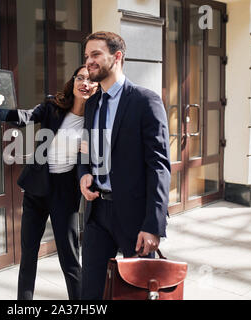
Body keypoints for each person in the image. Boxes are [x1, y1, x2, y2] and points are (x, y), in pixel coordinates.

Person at [0, 66, 98, 300]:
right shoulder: (52, 107)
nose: (85, 83)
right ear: (73, 81)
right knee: (28, 254)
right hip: (37, 189)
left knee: (69, 257)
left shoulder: (95, 120)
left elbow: (96, 158)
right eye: (80, 78)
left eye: (91, 80)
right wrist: (2, 106)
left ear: (98, 87)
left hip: (65, 193)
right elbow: (24, 117)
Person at [78, 31, 171, 300]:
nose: (89, 62)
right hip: (97, 214)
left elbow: (159, 165)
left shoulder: (145, 101)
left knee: (139, 293)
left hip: (135, 218)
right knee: (90, 292)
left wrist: (153, 225)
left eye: (96, 55)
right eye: (87, 56)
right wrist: (84, 174)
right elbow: (86, 149)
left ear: (117, 57)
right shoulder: (93, 103)